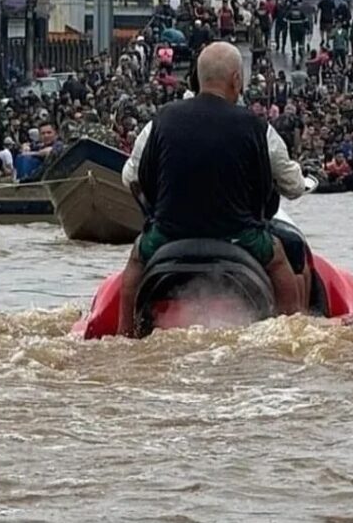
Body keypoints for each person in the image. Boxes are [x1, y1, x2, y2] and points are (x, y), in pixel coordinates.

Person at [116, 42, 301, 337]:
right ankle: (292, 332)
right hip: (240, 236)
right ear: (236, 79)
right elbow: (293, 186)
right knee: (279, 259)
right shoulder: (258, 128)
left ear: (198, 78)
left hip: (168, 235)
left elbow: (130, 177)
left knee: (137, 260)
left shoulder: (159, 121)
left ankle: (123, 335)